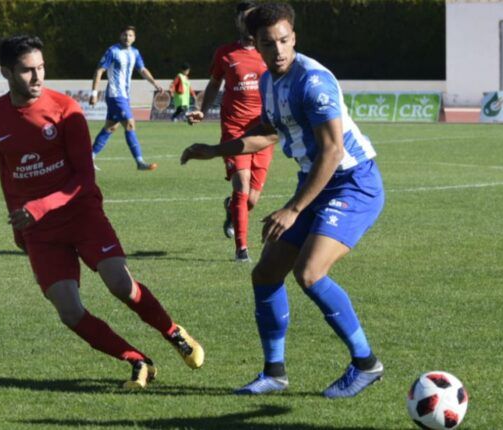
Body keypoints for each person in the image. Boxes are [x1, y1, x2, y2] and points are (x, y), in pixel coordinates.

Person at [181, 3, 384, 398]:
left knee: (309, 273)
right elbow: (267, 131)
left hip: (352, 183)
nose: (278, 50)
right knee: (266, 273)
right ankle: (274, 373)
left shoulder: (313, 82)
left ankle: (366, 363)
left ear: (294, 37)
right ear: (254, 45)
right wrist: (216, 149)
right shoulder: (269, 81)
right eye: (268, 43)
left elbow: (331, 151)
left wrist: (293, 209)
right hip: (317, 182)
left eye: (284, 40)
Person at [0, 35, 204, 389]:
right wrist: (17, 224)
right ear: (7, 72)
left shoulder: (65, 108)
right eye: (27, 70)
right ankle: (137, 360)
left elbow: (85, 177)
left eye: (41, 68)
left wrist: (39, 207)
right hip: (40, 231)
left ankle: (173, 332)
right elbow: (7, 172)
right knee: (69, 312)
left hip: (80, 213)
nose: (38, 77)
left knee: (120, 284)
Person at [187, 1, 274, 263]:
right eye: (243, 19)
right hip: (234, 129)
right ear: (237, 22)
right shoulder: (225, 53)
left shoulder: (270, 50)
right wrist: (203, 109)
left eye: (252, 19)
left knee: (252, 199)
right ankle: (242, 250)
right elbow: (214, 85)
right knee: (241, 185)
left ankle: (230, 210)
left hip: (263, 131)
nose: (247, 24)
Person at [89, 26, 162, 171]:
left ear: (134, 38)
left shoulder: (135, 52)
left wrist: (155, 83)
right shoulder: (112, 51)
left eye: (130, 35)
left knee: (110, 127)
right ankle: (140, 161)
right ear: (120, 36)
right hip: (115, 95)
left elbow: (142, 70)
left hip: (124, 95)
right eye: (124, 35)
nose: (127, 38)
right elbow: (99, 71)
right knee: (130, 124)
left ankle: (89, 158)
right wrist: (94, 93)